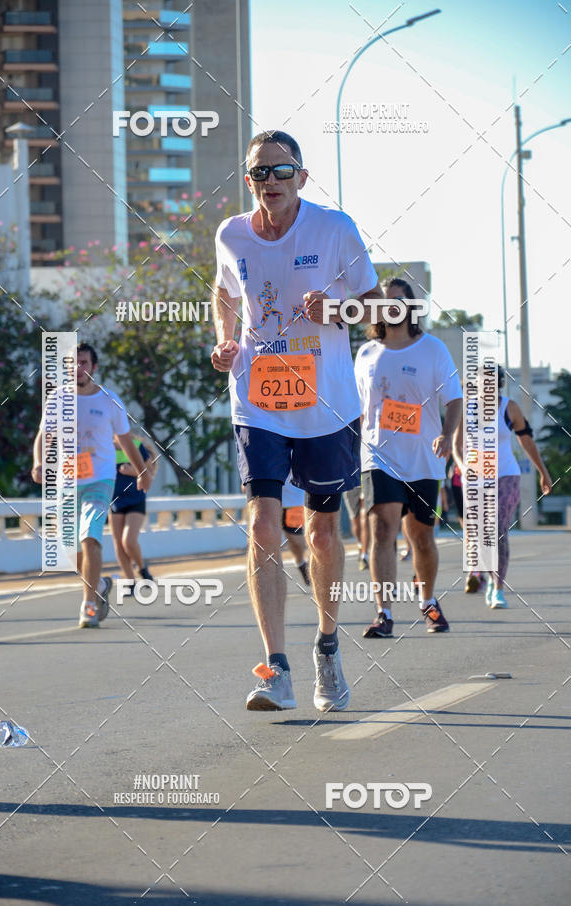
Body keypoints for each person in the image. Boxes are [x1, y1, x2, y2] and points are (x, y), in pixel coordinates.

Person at [211, 129, 382, 711]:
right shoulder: (231, 233)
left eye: (282, 172)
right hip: (257, 397)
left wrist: (336, 309)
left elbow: (380, 308)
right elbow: (223, 290)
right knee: (262, 524)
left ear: (302, 178)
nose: (271, 183)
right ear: (249, 178)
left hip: (326, 403)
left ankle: (327, 650)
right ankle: (274, 669)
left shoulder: (335, 229)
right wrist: (225, 341)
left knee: (322, 531)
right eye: (260, 172)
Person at [354, 278, 463, 638]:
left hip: (423, 459)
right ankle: (383, 613)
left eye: (399, 301)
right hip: (378, 454)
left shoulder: (433, 350)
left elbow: (454, 400)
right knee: (382, 528)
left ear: (411, 307)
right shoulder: (366, 353)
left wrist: (447, 436)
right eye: (385, 302)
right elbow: (357, 409)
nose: (392, 307)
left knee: (421, 537)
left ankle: (428, 601)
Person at [31, 343, 151, 627]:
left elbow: (125, 440)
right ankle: (99, 586)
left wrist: (142, 471)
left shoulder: (110, 401)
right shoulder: (58, 399)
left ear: (94, 367)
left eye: (83, 363)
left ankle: (88, 606)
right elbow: (44, 435)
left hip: (100, 478)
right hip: (68, 478)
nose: (78, 369)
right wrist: (39, 462)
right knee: (70, 548)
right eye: (73, 364)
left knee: (91, 537)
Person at [454, 366, 552, 608]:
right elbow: (457, 446)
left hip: (505, 474)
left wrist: (544, 472)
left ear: (498, 383)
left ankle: (497, 589)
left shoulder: (509, 407)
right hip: (474, 478)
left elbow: (526, 439)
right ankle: (485, 575)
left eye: (491, 381)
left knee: (498, 530)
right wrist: (463, 466)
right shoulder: (465, 409)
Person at [111, 435, 158, 596]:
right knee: (118, 544)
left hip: (136, 499)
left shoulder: (136, 445)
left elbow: (149, 473)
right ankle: (130, 583)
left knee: (128, 540)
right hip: (114, 501)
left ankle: (143, 569)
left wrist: (132, 471)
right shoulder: (104, 447)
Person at [281, 481, 310, 586]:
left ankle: (301, 562)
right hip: (269, 497)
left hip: (294, 500)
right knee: (268, 540)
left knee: (296, 541)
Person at [344, 485, 369, 570]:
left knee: (365, 518)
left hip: (366, 479)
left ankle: (364, 556)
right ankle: (360, 545)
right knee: (356, 522)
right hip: (350, 484)